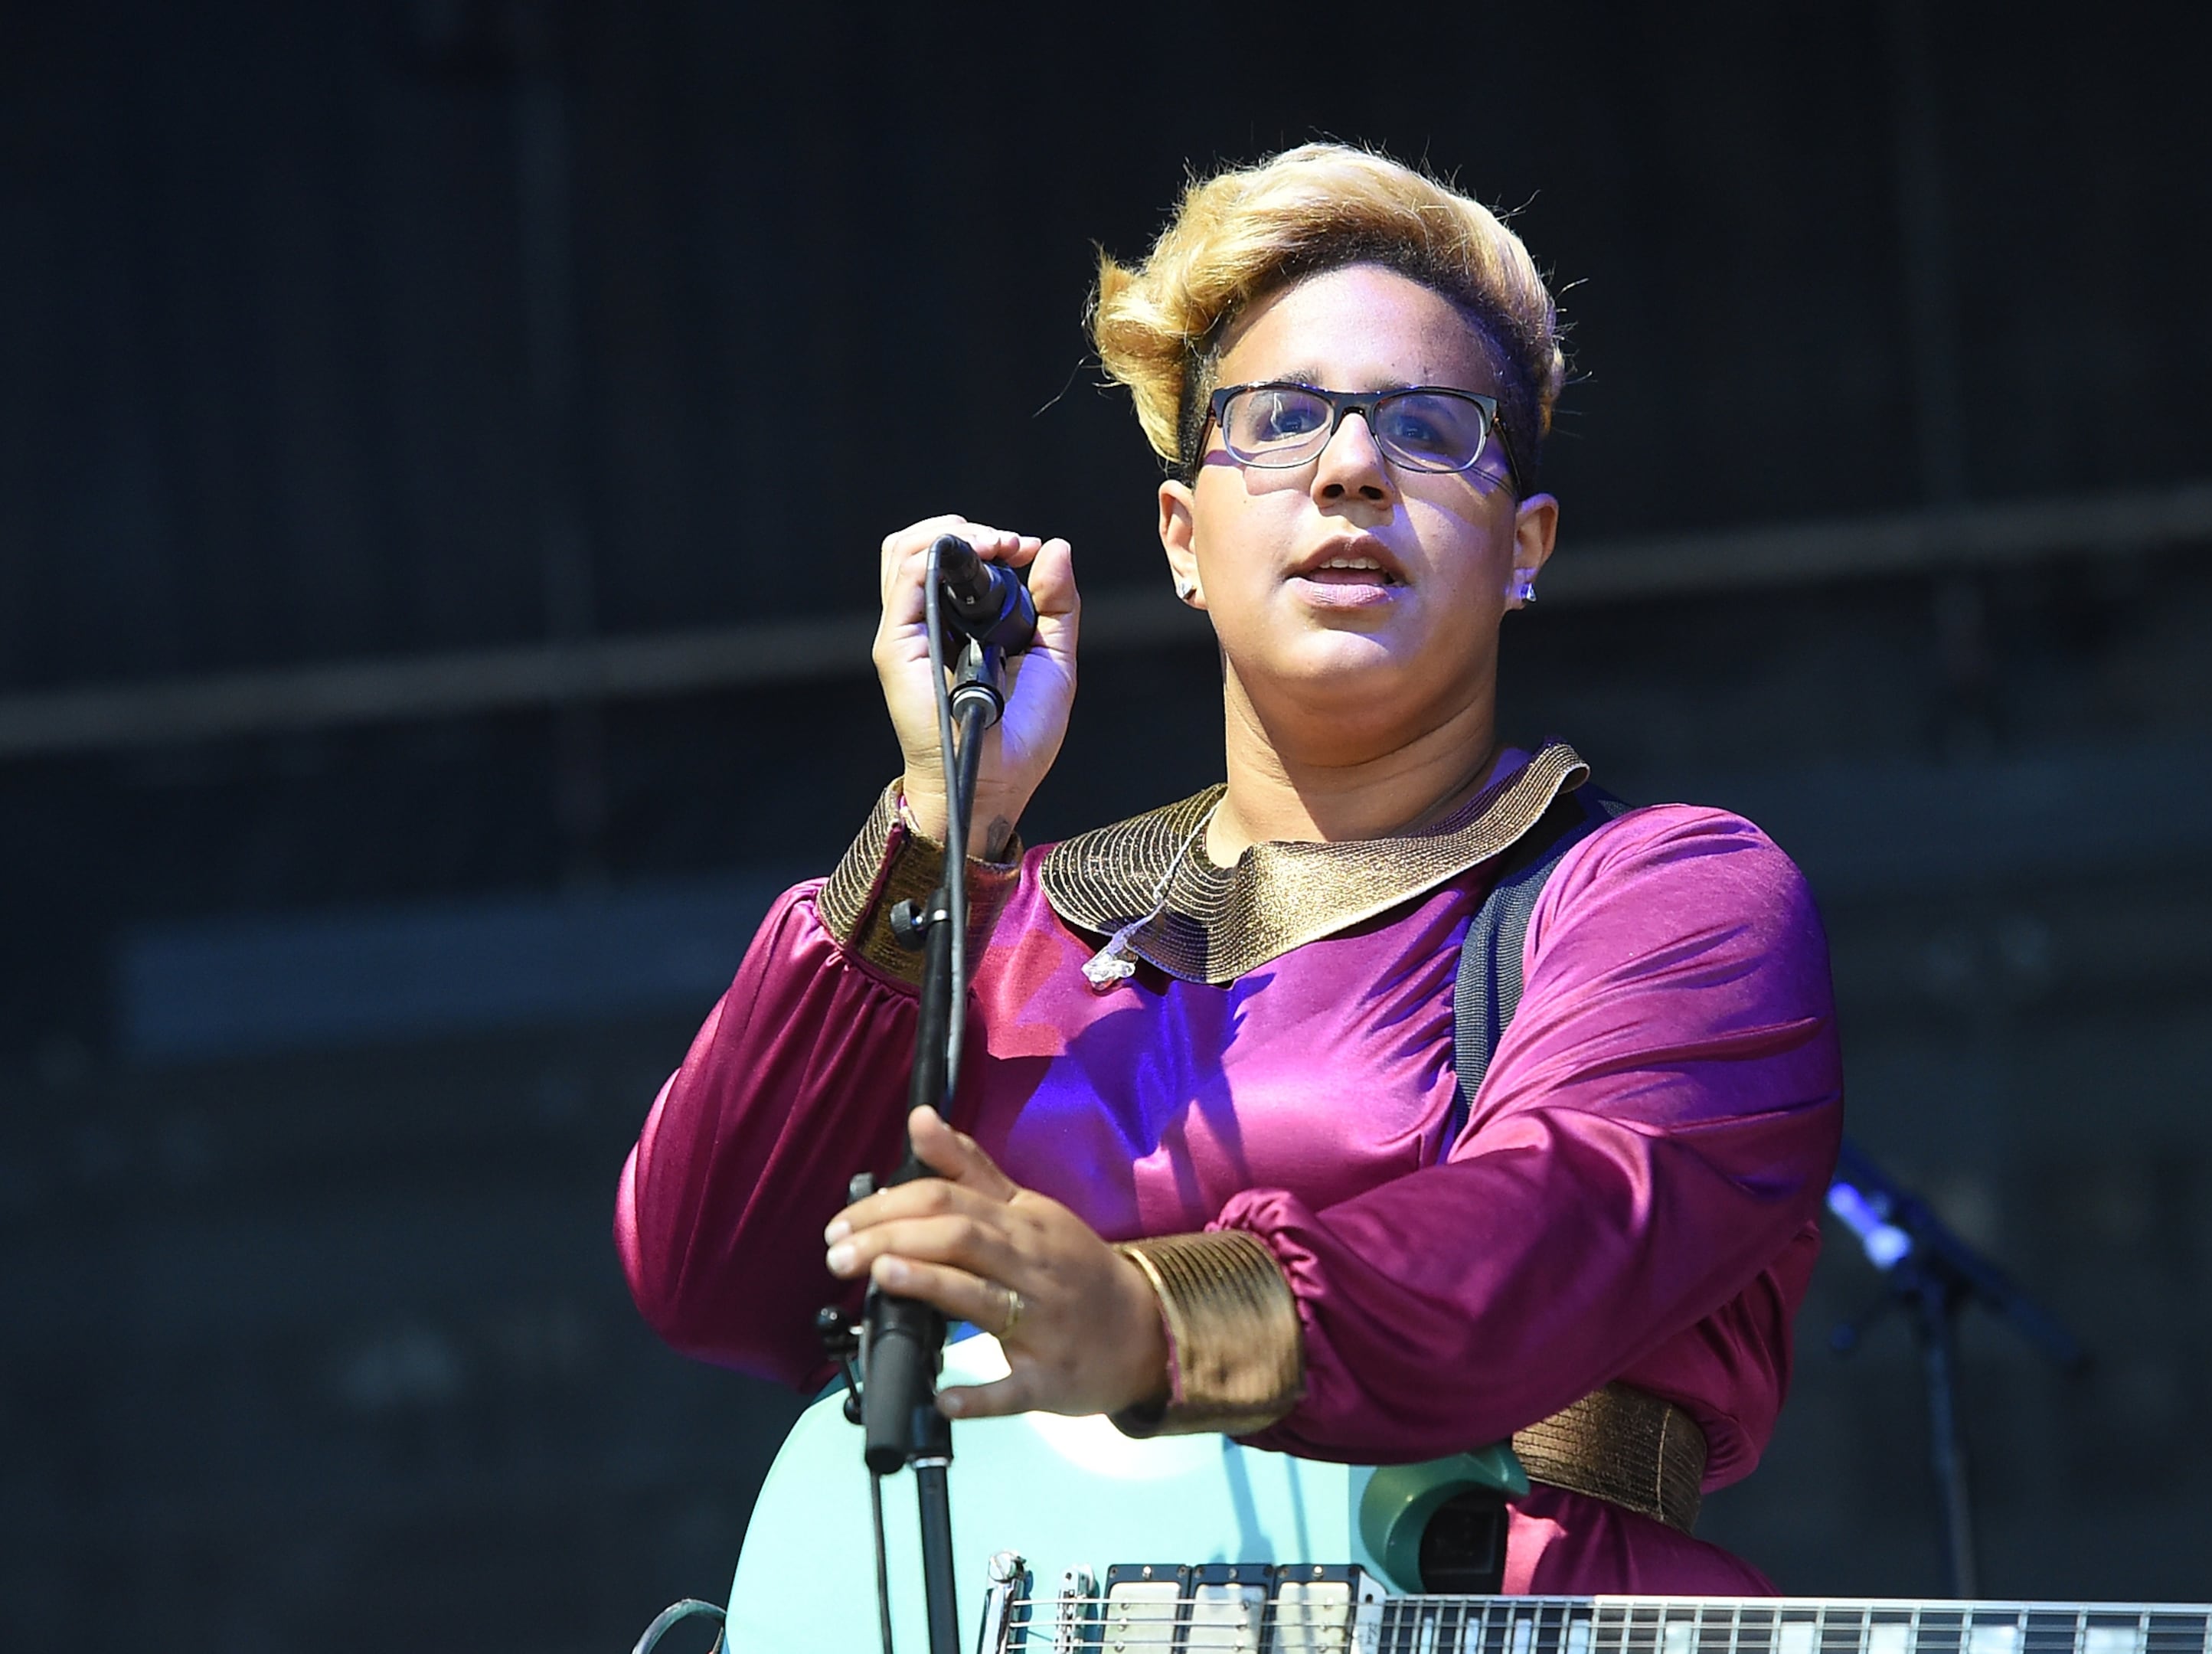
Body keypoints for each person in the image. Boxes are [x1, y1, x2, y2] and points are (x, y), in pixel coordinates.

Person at [618, 142, 1844, 1595]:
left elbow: (1555, 1228)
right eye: (1279, 420)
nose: (1349, 470)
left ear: (1527, 547)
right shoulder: (1004, 933)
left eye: (1432, 429)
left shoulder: (1665, 897)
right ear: (1183, 541)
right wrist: (941, 822)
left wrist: (1157, 1320)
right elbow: (714, 1282)